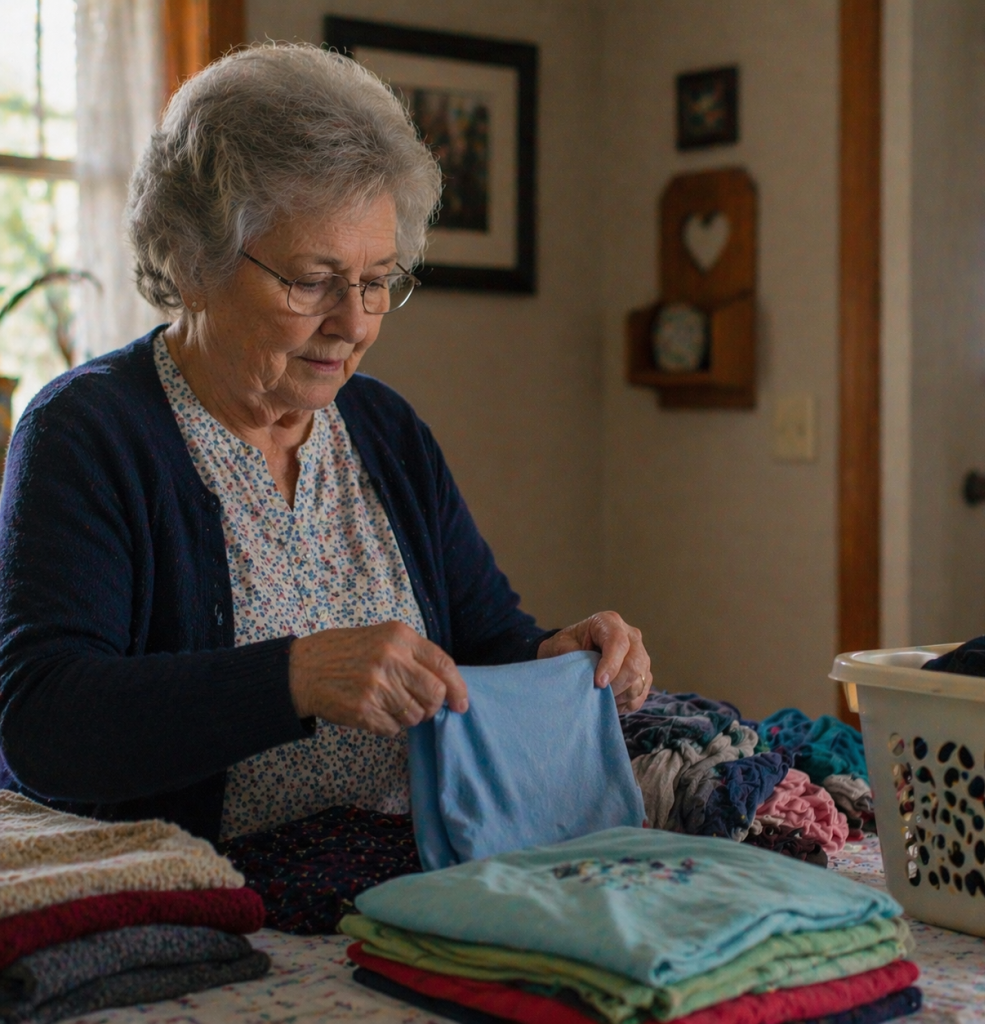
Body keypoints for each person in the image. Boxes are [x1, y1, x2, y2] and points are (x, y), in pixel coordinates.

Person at [0, 44, 652, 847]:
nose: (354, 322)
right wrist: (294, 678)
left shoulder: (384, 430)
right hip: (206, 909)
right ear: (193, 259)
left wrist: (563, 656)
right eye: (313, 280)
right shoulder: (90, 431)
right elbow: (43, 722)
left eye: (378, 279)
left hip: (401, 875)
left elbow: (484, 640)